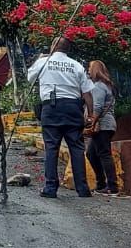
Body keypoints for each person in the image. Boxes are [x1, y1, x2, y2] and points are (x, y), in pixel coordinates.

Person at [27, 37, 94, 198]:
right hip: (73, 108)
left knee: (51, 147)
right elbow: (87, 93)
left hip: (52, 107)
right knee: (77, 148)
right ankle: (82, 188)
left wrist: (41, 60)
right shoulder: (76, 65)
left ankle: (50, 188)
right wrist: (90, 114)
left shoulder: (44, 62)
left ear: (53, 47)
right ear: (67, 49)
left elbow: (30, 78)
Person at [86, 59, 119, 195]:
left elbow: (97, 106)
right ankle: (101, 184)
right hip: (107, 124)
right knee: (91, 154)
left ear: (95, 70)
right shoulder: (107, 85)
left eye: (89, 68)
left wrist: (90, 122)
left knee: (104, 154)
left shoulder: (99, 86)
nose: (88, 71)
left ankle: (112, 186)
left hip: (103, 124)